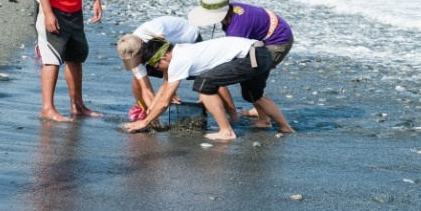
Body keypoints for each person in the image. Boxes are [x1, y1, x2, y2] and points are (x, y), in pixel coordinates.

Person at [124, 37, 294, 140]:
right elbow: (166, 90)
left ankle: (226, 132)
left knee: (204, 85)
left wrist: (145, 121)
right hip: (261, 53)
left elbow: (165, 100)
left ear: (164, 56)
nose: (159, 69)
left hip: (251, 56)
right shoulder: (183, 49)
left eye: (156, 64)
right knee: (253, 95)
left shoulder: (179, 59)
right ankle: (285, 127)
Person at [188, 0, 294, 126]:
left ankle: (266, 119)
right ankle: (260, 110)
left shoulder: (237, 27)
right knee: (251, 84)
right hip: (265, 36)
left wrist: (206, 88)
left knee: (251, 80)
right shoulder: (230, 11)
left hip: (277, 42)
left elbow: (230, 59)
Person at [117, 16, 237, 120]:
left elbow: (167, 60)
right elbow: (146, 89)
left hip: (189, 38)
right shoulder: (130, 51)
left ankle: (233, 115)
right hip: (163, 54)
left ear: (141, 49)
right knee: (138, 80)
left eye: (137, 60)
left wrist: (171, 90)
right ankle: (144, 111)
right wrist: (152, 118)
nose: (137, 63)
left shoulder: (153, 30)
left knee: (210, 76)